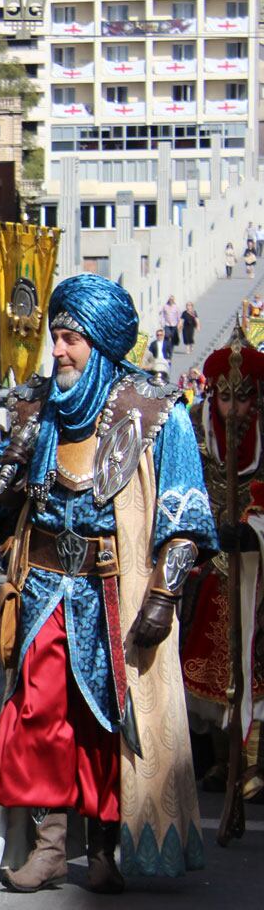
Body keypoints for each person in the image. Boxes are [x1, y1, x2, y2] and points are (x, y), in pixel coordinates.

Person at [0, 273, 217, 893]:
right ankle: (52, 845)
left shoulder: (159, 413)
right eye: (55, 336)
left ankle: (105, 847)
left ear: (103, 345)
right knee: (39, 715)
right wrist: (4, 476)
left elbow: (185, 519)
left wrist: (163, 597)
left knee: (109, 722)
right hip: (47, 588)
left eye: (70, 339)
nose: (56, 350)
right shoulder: (40, 410)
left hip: (117, 591)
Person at [179, 340, 264, 796]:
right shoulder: (193, 432)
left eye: (243, 396)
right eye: (225, 396)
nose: (233, 408)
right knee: (202, 657)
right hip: (207, 565)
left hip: (258, 567)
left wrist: (254, 533)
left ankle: (254, 759)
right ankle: (216, 756)